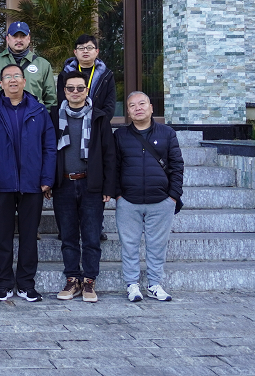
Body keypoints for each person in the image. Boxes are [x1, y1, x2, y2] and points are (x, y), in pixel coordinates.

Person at [0, 64, 56, 302]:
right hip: (1, 184)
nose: (12, 80)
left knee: (29, 236)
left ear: (24, 81)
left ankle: (25, 284)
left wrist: (47, 178)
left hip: (32, 183)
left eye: (16, 76)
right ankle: (3, 283)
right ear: (1, 83)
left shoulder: (38, 110)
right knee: (2, 236)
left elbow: (49, 147)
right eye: (7, 77)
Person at [48, 71, 116, 303]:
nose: (75, 92)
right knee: (67, 236)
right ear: (64, 91)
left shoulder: (99, 118)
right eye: (70, 88)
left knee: (91, 237)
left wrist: (108, 187)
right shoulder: (53, 116)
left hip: (91, 185)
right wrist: (48, 181)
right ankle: (72, 279)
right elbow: (47, 151)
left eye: (80, 88)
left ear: (87, 91)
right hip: (63, 184)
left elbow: (109, 154)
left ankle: (89, 280)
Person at [115, 91, 184, 303]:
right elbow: (113, 167)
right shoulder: (120, 135)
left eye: (142, 103)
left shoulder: (167, 133)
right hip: (128, 200)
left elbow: (177, 165)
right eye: (132, 105)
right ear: (128, 112)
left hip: (161, 200)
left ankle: (154, 284)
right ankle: (132, 285)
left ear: (151, 108)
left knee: (157, 245)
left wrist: (173, 196)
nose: (138, 108)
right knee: (129, 245)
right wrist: (118, 195)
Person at [0, 22, 57, 113]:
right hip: (2, 118)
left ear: (29, 39)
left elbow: (51, 100)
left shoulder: (43, 65)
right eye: (15, 36)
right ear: (7, 39)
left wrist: (44, 119)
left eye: (23, 36)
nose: (19, 40)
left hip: (34, 118)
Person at [57, 35, 116, 121]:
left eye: (89, 48)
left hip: (98, 121)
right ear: (75, 52)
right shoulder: (65, 74)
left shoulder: (106, 75)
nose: (85, 51)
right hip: (71, 121)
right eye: (81, 48)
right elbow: (61, 100)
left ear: (97, 51)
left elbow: (110, 104)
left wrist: (99, 121)